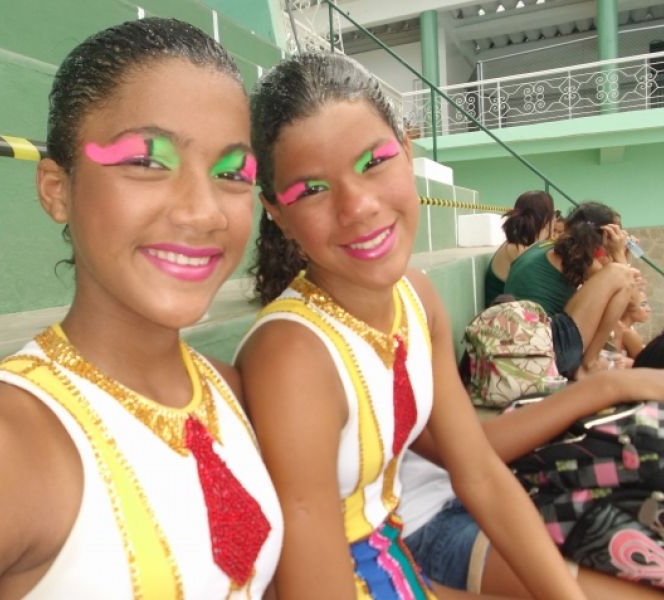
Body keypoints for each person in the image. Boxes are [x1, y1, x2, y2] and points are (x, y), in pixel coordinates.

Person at [0, 19, 283, 598]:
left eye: (231, 173)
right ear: (57, 189)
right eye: (147, 161)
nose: (204, 212)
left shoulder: (228, 392)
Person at [236, 51, 585, 599]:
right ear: (277, 212)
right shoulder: (293, 356)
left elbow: (479, 474)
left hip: (395, 554)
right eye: (312, 190)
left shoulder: (415, 297)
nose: (357, 207)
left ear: (407, 151)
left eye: (373, 161)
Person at [399, 365, 664, 598]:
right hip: (425, 522)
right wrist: (610, 385)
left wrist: (611, 385)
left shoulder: (422, 328)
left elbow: (475, 464)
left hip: (490, 491)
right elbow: (470, 458)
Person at [505, 201, 639, 379]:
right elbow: (629, 294)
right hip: (547, 351)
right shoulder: (581, 259)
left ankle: (588, 362)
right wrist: (620, 254)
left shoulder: (548, 249)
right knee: (621, 273)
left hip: (525, 342)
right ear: (606, 235)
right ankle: (589, 364)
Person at [484, 190, 556, 307]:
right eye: (555, 214)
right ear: (546, 220)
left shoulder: (524, 245)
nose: (556, 219)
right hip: (503, 315)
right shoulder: (516, 248)